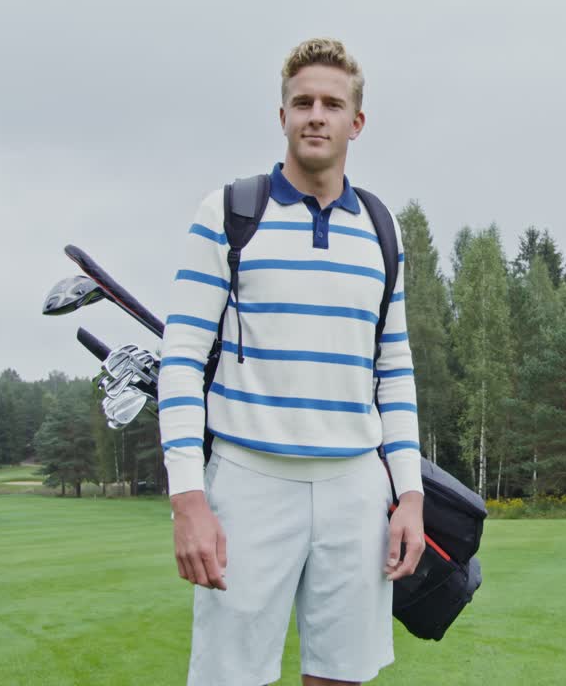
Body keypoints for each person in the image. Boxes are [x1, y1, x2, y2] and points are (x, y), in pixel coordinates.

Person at [157, 37, 425, 686]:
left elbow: (393, 371)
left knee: (342, 677)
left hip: (356, 488)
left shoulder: (382, 231)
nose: (316, 114)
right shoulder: (229, 214)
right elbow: (182, 360)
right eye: (302, 101)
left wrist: (409, 494)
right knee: (230, 677)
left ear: (355, 123)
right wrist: (188, 500)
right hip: (248, 482)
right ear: (281, 115)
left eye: (332, 104)